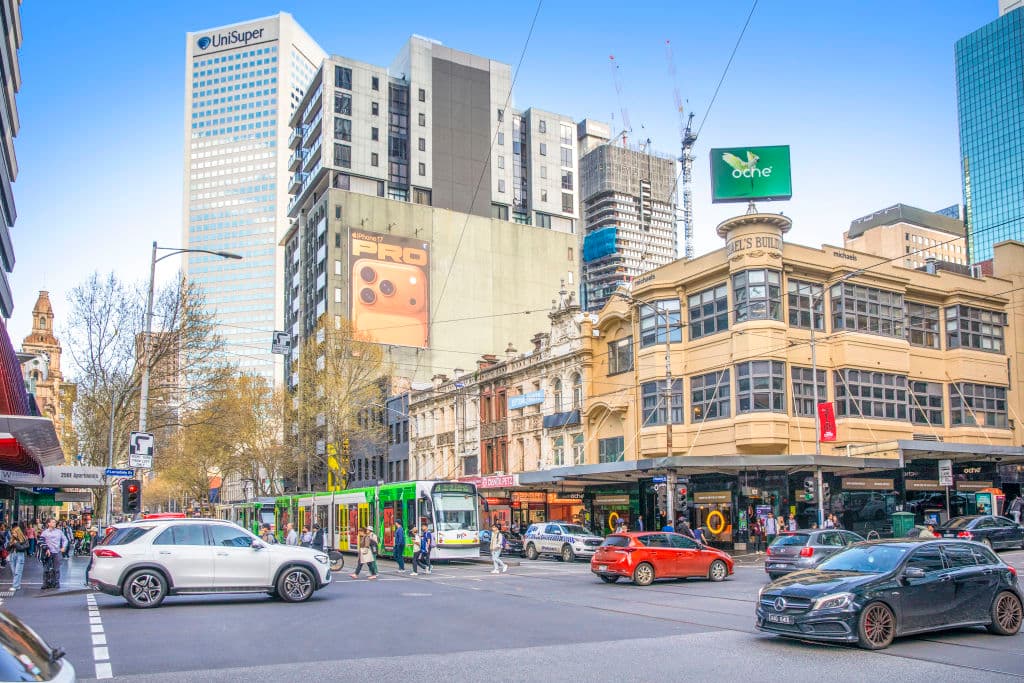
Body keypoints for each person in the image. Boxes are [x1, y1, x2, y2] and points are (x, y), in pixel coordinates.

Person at [39, 519, 67, 590]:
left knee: (56, 569)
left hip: (57, 552)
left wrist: (64, 547)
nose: (55, 523)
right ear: (49, 524)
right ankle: (46, 583)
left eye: (55, 522)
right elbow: (40, 541)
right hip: (47, 553)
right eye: (53, 522)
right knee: (46, 569)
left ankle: (56, 583)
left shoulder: (59, 532)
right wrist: (46, 548)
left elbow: (65, 540)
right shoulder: (45, 532)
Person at [7, 523, 27, 591]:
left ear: (18, 532)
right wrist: (10, 544)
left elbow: (22, 548)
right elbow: (7, 549)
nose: (13, 534)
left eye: (14, 533)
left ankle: (15, 586)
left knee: (17, 572)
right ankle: (17, 585)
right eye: (12, 533)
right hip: (12, 555)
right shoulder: (12, 539)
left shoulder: (24, 539)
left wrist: (16, 543)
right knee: (14, 572)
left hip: (20, 556)